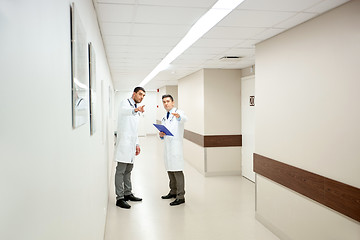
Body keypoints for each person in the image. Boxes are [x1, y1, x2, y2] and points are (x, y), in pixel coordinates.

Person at [114, 87, 146, 209]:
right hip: (124, 144)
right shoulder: (125, 104)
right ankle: (119, 198)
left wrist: (137, 144)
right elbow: (125, 111)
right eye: (140, 94)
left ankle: (128, 193)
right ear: (134, 94)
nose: (141, 97)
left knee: (128, 170)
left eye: (143, 95)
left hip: (132, 144)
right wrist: (135, 109)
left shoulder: (135, 109)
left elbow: (134, 129)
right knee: (120, 171)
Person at [159, 94, 187, 206]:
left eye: (168, 101)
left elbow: (184, 119)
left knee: (177, 171)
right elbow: (163, 134)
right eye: (164, 102)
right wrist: (161, 135)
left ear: (173, 102)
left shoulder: (178, 113)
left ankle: (181, 196)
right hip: (167, 147)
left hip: (175, 147)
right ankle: (173, 191)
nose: (166, 103)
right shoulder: (164, 117)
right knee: (170, 170)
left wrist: (179, 117)